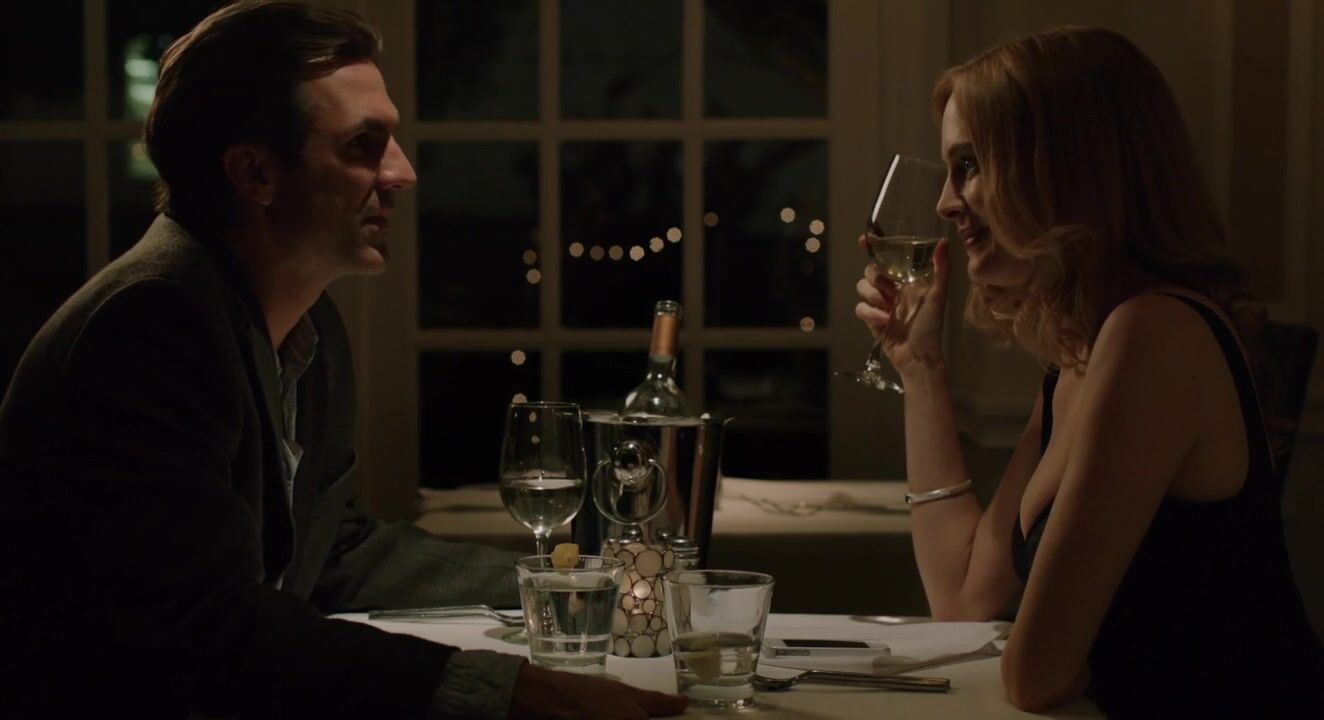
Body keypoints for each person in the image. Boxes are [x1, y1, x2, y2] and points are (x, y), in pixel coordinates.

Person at [0, 2, 686, 718]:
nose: (403, 173)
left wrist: (586, 583)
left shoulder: (307, 327)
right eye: (364, 144)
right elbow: (204, 625)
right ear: (255, 173)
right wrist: (505, 691)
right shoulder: (151, 325)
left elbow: (331, 552)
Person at [854, 26, 1322, 718]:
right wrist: (920, 367)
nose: (945, 204)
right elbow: (961, 598)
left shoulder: (1154, 333)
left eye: (970, 165)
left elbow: (1036, 675)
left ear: (1064, 168)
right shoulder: (1080, 354)